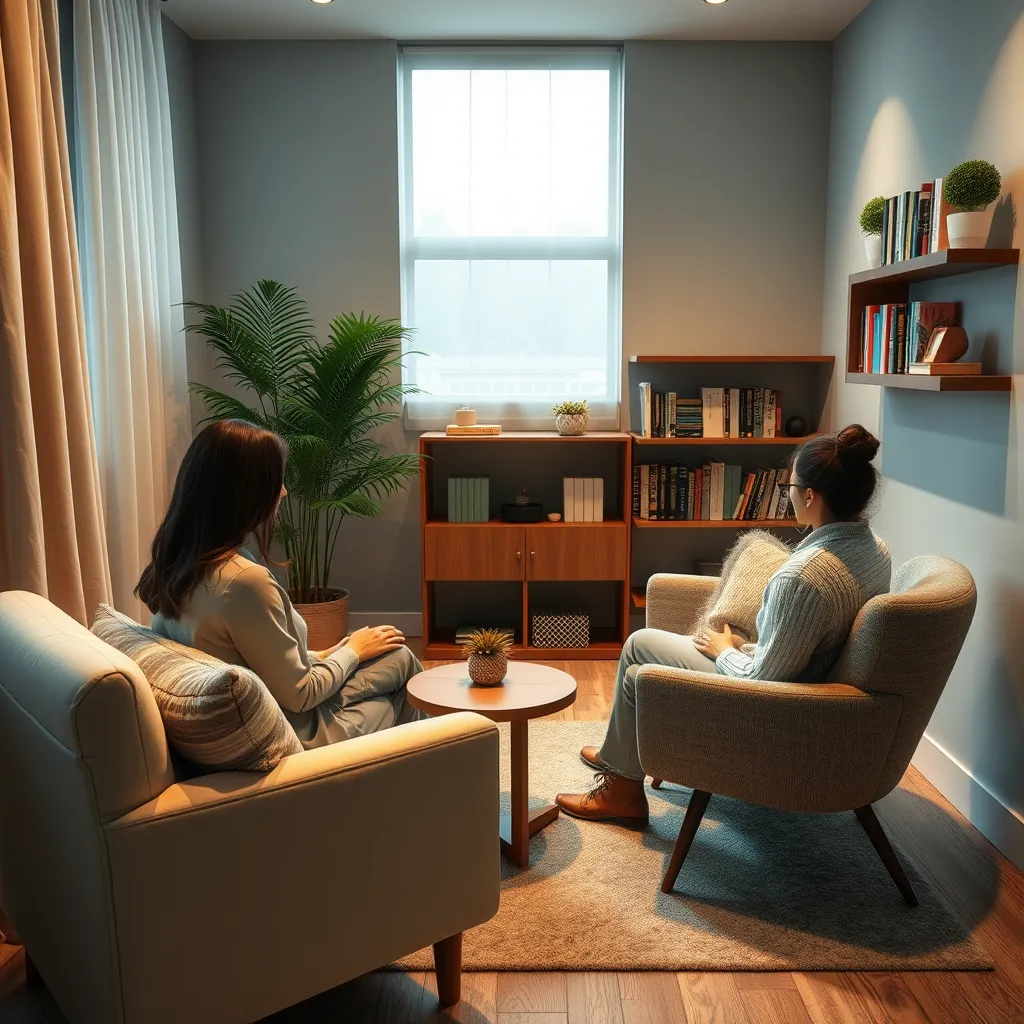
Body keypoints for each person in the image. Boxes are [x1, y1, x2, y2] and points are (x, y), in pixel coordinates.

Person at [555, 424, 891, 828]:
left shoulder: (804, 577)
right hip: (808, 687)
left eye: (790, 485)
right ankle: (620, 754)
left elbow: (765, 678)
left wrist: (725, 651)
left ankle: (622, 792)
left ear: (809, 496)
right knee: (643, 656)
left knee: (637, 646)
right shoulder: (874, 549)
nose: (787, 493)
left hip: (772, 705)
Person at [136, 419, 427, 748]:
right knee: (397, 684)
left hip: (274, 705)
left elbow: (259, 658)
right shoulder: (244, 583)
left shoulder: (178, 566)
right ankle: (437, 756)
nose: (284, 491)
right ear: (246, 493)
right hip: (299, 729)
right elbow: (301, 694)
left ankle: (430, 757)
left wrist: (333, 652)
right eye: (276, 481)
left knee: (397, 656)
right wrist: (353, 651)